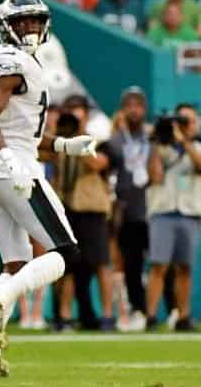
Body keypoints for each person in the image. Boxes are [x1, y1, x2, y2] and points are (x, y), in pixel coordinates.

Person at [0, 0, 98, 378]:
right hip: (13, 172)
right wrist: (12, 159)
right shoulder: (12, 63)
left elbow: (20, 129)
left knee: (15, 264)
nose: (29, 28)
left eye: (34, 21)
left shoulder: (22, 63)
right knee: (67, 253)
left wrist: (61, 145)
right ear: (7, 25)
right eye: (22, 22)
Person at [52, 96, 114, 331]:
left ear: (86, 115)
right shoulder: (58, 140)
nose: (73, 116)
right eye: (69, 111)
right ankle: (65, 316)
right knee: (67, 266)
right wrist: (58, 136)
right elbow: (42, 156)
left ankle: (108, 315)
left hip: (91, 209)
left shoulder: (98, 140)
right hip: (65, 209)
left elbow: (97, 164)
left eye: (77, 111)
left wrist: (77, 139)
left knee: (101, 263)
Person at [144, 103, 201, 331]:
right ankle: (150, 316)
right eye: (180, 121)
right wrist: (157, 142)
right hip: (163, 212)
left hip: (189, 213)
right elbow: (155, 176)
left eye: (188, 121)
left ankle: (184, 316)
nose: (184, 125)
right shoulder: (161, 148)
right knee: (159, 265)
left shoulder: (196, 146)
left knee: (184, 266)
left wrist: (183, 141)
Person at [103, 87, 151, 331]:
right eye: (129, 105)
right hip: (128, 210)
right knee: (132, 264)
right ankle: (138, 311)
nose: (134, 110)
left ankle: (170, 311)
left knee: (164, 264)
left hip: (153, 207)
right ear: (122, 109)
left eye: (138, 105)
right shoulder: (114, 141)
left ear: (145, 109)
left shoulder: (152, 137)